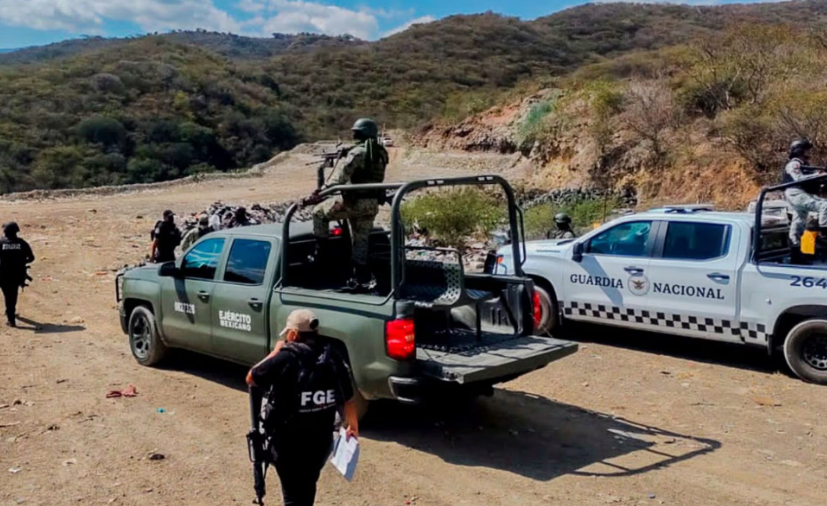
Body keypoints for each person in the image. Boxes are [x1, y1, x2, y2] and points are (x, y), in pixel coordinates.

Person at [246, 309, 359, 506]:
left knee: (292, 495)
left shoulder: (285, 358)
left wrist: (275, 352)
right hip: (320, 443)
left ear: (293, 334)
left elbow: (252, 378)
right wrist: (353, 426)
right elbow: (348, 398)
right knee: (308, 486)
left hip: (288, 444)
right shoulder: (331, 357)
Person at [312, 118, 389, 291]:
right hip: (372, 204)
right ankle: (360, 276)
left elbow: (338, 179)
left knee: (318, 213)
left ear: (362, 133)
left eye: (356, 131)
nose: (354, 133)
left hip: (354, 202)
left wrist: (319, 193)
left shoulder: (357, 153)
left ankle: (321, 256)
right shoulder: (381, 152)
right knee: (360, 239)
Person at [783, 139, 827, 249]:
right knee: (824, 205)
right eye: (807, 150)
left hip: (800, 193)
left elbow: (813, 179)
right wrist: (818, 175)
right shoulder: (794, 164)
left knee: (799, 222)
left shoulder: (804, 165)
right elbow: (798, 178)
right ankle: (824, 233)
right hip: (796, 192)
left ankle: (797, 248)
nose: (809, 153)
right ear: (800, 151)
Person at [0, 222, 34, 327]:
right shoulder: (22, 243)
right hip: (16, 275)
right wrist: (21, 262)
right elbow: (31, 258)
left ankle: (10, 317)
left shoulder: (1, 243)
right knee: (12, 296)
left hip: (3, 274)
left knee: (6, 294)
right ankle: (11, 316)